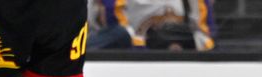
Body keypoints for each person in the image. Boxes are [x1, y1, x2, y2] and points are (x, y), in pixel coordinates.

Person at [87, 0, 216, 51]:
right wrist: (143, 46)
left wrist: (183, 43)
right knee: (119, 35)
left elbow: (205, 33)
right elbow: (113, 18)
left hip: (173, 43)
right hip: (126, 42)